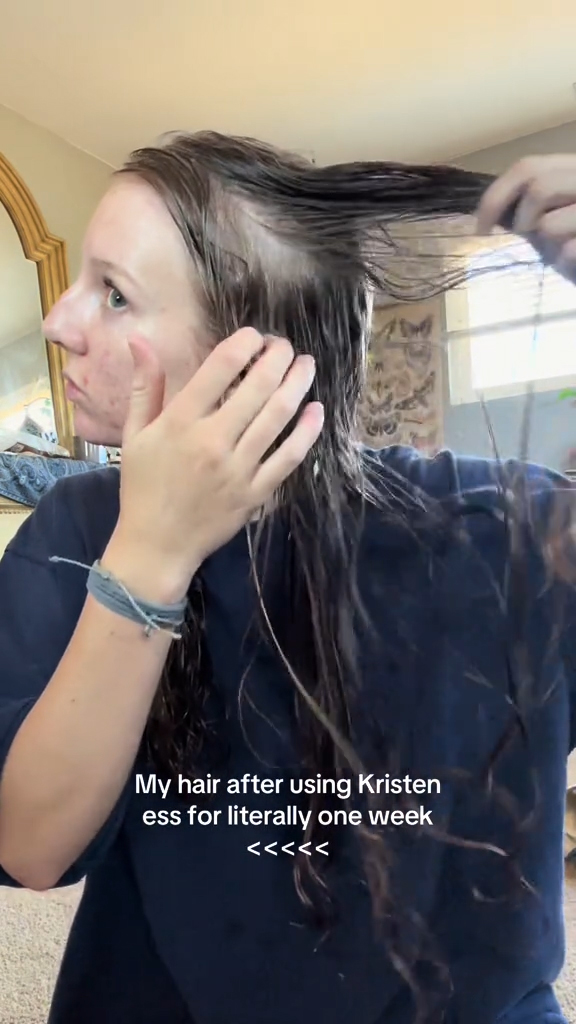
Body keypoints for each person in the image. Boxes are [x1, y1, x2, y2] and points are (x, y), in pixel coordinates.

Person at [0, 135, 575, 1024]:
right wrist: (151, 555)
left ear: (259, 358)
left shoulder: (503, 531)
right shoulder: (79, 531)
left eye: (115, 294)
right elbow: (30, 847)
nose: (59, 322)